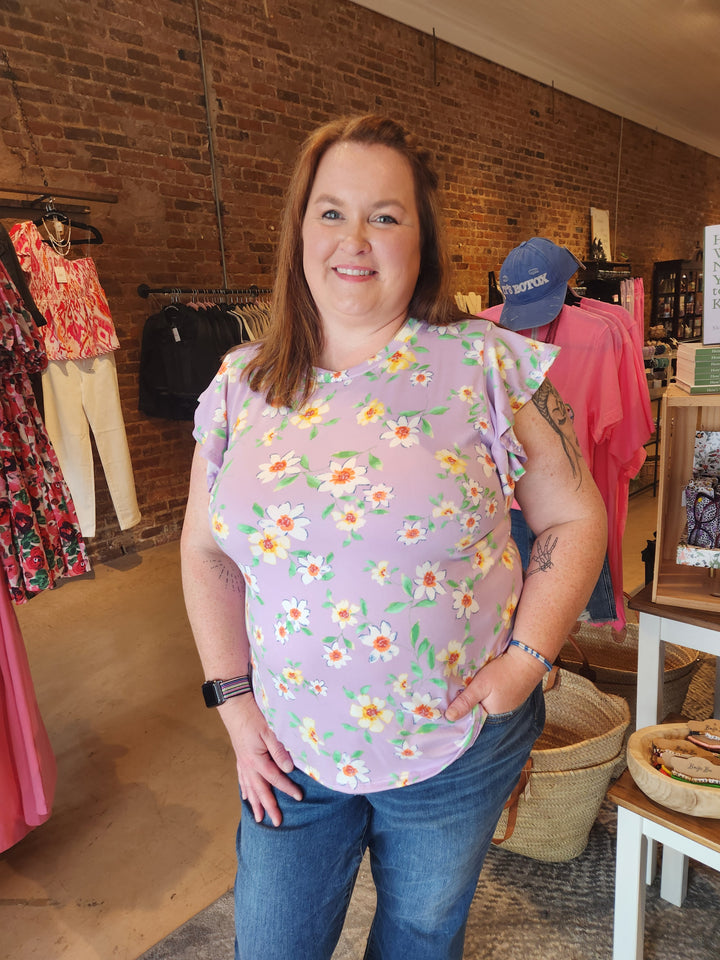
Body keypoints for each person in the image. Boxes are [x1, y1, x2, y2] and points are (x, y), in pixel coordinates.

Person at [180, 114, 607, 960]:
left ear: (422, 239)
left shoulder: (485, 363)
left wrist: (526, 663)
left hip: (456, 747)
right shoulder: (239, 385)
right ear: (299, 229)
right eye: (331, 211)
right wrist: (233, 706)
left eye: (385, 215)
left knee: (419, 935)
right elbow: (204, 552)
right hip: (289, 749)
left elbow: (576, 515)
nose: (355, 239)